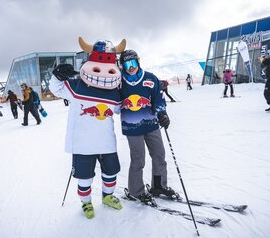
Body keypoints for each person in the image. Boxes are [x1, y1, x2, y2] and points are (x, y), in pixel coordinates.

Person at [49, 37, 125, 219]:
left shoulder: (114, 91)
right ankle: (86, 202)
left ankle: (108, 196)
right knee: (85, 177)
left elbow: (120, 108)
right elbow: (57, 90)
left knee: (111, 172)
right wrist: (57, 75)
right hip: (83, 144)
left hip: (107, 142)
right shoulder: (77, 86)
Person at [119, 49, 177, 204]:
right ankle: (136, 191)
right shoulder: (118, 82)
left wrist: (162, 114)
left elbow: (158, 98)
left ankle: (158, 186)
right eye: (126, 64)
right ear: (122, 65)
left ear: (138, 62)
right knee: (138, 159)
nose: (130, 67)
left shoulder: (150, 79)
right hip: (131, 127)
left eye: (133, 63)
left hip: (151, 124)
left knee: (159, 155)